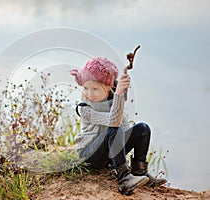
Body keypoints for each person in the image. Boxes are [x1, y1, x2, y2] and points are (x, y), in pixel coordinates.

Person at [70, 57, 166, 195]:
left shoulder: (112, 101)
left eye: (95, 89)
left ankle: (140, 171)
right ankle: (124, 178)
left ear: (109, 87)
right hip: (89, 155)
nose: (89, 94)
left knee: (142, 129)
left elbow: (123, 126)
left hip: (107, 153)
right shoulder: (85, 108)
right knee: (114, 128)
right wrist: (119, 94)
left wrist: (119, 95)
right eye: (86, 88)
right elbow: (113, 121)